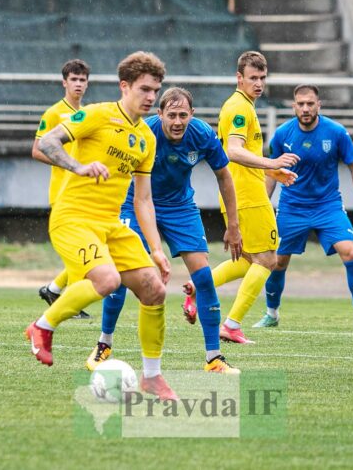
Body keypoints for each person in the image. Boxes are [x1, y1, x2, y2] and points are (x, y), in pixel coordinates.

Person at [24, 51, 177, 401]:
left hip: (111, 225)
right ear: (125, 86)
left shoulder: (148, 139)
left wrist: (155, 248)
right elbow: (46, 143)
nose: (152, 97)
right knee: (107, 280)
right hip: (73, 218)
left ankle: (152, 377)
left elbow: (143, 200)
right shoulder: (96, 115)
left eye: (156, 90)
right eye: (145, 89)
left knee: (154, 289)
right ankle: (41, 326)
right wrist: (77, 166)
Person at [86, 87, 243, 375]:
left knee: (205, 278)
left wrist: (232, 225)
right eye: (171, 115)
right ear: (160, 114)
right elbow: (118, 172)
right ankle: (103, 344)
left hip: (180, 207)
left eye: (184, 115)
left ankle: (214, 358)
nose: (178, 121)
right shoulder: (144, 134)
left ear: (192, 115)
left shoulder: (203, 135)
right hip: (135, 204)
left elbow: (225, 176)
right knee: (121, 276)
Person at [182, 51, 298, 344]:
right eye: (253, 78)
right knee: (269, 258)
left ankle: (199, 287)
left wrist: (272, 174)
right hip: (247, 195)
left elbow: (243, 154)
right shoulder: (238, 108)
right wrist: (273, 164)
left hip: (244, 191)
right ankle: (231, 324)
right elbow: (233, 150)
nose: (258, 83)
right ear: (239, 78)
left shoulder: (243, 105)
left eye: (262, 78)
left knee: (248, 259)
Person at [251, 84, 353, 330]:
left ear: (319, 105)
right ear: (294, 106)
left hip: (327, 206)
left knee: (350, 252)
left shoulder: (337, 132)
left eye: (310, 103)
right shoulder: (282, 134)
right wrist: (263, 205)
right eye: (301, 104)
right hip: (291, 206)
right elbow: (271, 172)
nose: (305, 108)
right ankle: (271, 314)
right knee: (277, 261)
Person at [33, 59, 91, 319]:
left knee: (88, 247)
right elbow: (36, 150)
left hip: (84, 191)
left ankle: (55, 290)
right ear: (64, 82)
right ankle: (67, 299)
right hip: (63, 192)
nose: (78, 84)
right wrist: (69, 164)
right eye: (74, 80)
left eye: (82, 80)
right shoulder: (55, 113)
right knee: (80, 248)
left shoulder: (87, 113)